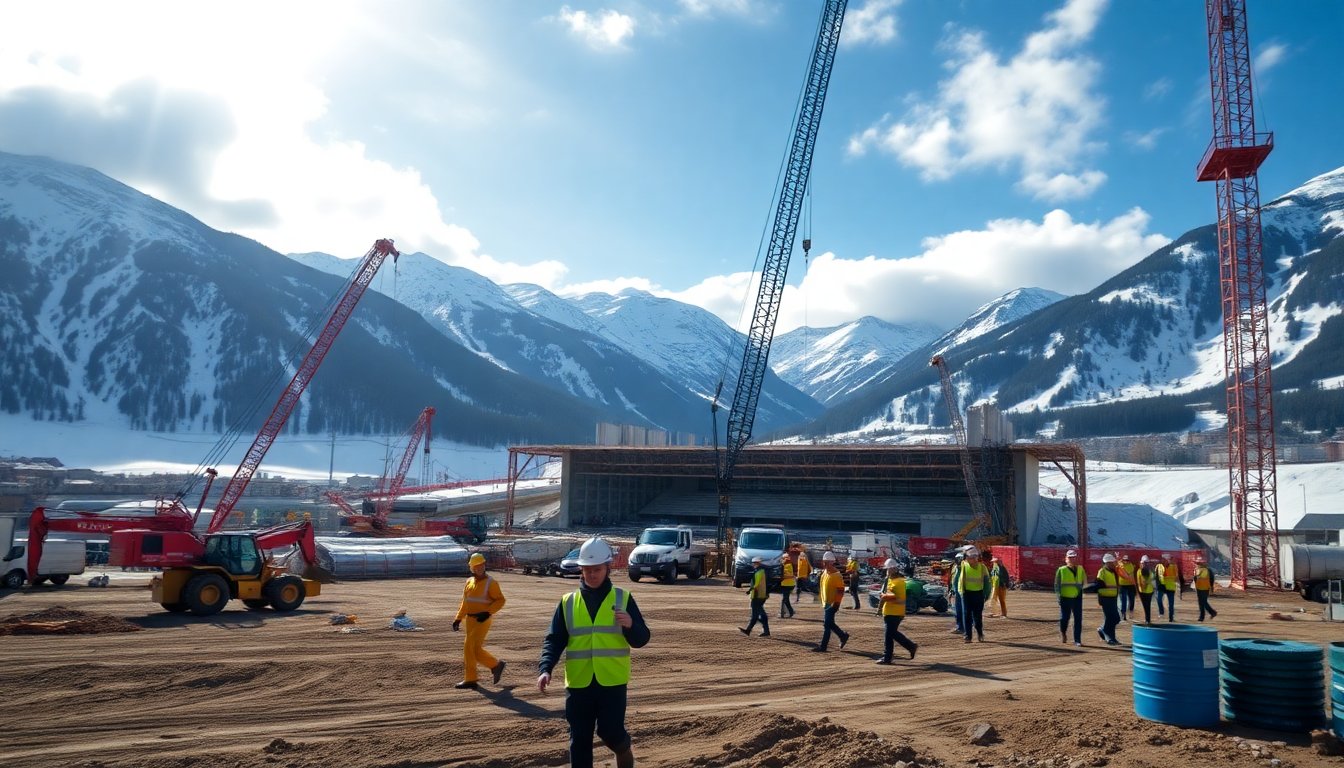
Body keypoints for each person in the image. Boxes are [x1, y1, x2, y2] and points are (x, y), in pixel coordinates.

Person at [538, 537, 651, 768]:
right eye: (587, 569)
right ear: (581, 569)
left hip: (612, 682)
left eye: (597, 569)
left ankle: (624, 752)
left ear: (607, 568)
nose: (591, 574)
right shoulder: (568, 602)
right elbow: (555, 639)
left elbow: (642, 639)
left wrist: (630, 624)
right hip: (579, 684)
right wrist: (545, 668)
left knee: (611, 733)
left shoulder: (623, 598)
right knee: (579, 739)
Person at [452, 552, 506, 689]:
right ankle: (496, 665)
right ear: (472, 568)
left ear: (484, 565)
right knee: (473, 650)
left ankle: (471, 679)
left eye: (481, 565)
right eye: (476, 566)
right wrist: (458, 618)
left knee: (468, 647)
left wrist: (488, 612)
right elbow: (465, 603)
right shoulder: (469, 582)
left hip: (483, 620)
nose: (479, 568)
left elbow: (500, 600)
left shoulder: (491, 583)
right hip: (469, 620)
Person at [874, 558, 918, 664]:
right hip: (891, 611)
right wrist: (880, 608)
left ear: (893, 569)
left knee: (889, 635)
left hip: (894, 612)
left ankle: (888, 657)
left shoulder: (898, 582)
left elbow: (893, 597)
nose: (887, 571)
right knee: (892, 634)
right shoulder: (892, 580)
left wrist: (883, 596)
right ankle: (910, 646)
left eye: (888, 569)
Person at [811, 551, 850, 652]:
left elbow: (840, 591)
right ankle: (843, 636)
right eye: (824, 562)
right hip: (826, 602)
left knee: (827, 625)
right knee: (829, 623)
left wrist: (836, 604)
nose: (824, 564)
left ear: (831, 562)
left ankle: (823, 646)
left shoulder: (837, 575)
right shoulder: (825, 572)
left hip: (832, 604)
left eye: (826, 562)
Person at [1055, 549, 1086, 647]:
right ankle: (1063, 632)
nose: (1072, 559)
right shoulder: (1061, 570)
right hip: (1065, 597)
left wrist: (1084, 591)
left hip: (1077, 597)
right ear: (1066, 559)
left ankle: (1077, 639)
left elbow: (1084, 582)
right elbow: (1057, 585)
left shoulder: (1081, 569)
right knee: (1064, 618)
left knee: (1078, 619)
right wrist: (1058, 596)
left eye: (1074, 557)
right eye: (1070, 558)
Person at [958, 548, 990, 643]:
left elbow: (987, 583)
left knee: (977, 616)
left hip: (978, 594)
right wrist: (961, 592)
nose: (969, 559)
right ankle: (968, 636)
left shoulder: (982, 567)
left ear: (976, 558)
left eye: (972, 557)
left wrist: (986, 595)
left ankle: (980, 633)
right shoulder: (964, 565)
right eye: (968, 557)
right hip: (966, 593)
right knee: (967, 615)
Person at [1094, 553, 1122, 646]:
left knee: (1115, 618)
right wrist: (1100, 599)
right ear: (1107, 563)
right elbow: (1098, 585)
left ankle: (1109, 635)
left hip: (1113, 597)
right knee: (1110, 618)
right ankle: (1108, 637)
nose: (1113, 564)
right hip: (1105, 598)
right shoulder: (1102, 571)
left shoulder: (1113, 572)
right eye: (1111, 562)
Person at [740, 556, 771, 636]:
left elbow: (756, 584)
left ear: (757, 563)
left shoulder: (758, 572)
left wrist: (749, 590)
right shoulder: (763, 571)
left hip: (757, 595)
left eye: (753, 563)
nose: (753, 565)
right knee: (761, 614)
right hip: (762, 595)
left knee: (755, 615)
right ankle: (765, 631)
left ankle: (749, 630)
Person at [1191, 555, 1218, 621]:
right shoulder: (1196, 569)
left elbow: (1211, 579)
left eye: (1199, 563)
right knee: (1201, 602)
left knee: (1203, 602)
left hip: (1205, 588)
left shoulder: (1207, 570)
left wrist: (1211, 588)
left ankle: (1210, 613)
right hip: (1199, 588)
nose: (1197, 564)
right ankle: (1204, 615)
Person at [1157, 553, 1180, 622]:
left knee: (1171, 604)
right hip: (1162, 586)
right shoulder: (1159, 566)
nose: (1162, 560)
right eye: (1162, 559)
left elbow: (1176, 577)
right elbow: (1157, 576)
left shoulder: (1173, 566)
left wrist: (1177, 583)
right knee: (1159, 599)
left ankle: (1171, 617)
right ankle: (1161, 612)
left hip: (1170, 587)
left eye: (1164, 559)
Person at [1116, 553, 1137, 622]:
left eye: (1127, 560)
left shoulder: (1130, 566)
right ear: (1123, 560)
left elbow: (1127, 574)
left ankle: (1131, 611)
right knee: (1124, 600)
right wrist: (1118, 558)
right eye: (1124, 560)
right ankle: (1123, 613)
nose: (1126, 561)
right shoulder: (1119, 565)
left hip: (1130, 585)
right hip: (1122, 585)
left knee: (1132, 600)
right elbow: (1117, 566)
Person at [988, 554, 1010, 618]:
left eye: (995, 562)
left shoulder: (1002, 568)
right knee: (993, 599)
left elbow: (1006, 577)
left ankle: (1003, 613)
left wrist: (1006, 584)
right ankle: (994, 612)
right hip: (995, 585)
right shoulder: (995, 568)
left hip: (1001, 586)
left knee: (1001, 600)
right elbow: (992, 576)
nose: (994, 563)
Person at [1136, 555, 1156, 624]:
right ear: (1142, 563)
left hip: (1149, 591)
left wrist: (1146, 584)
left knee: (1148, 605)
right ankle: (1147, 619)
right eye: (1144, 563)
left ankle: (1148, 619)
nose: (1145, 564)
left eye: (1146, 563)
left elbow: (1152, 579)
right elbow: (1138, 581)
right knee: (1145, 605)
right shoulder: (1139, 571)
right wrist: (1140, 589)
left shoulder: (1150, 571)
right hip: (1142, 591)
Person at [949, 552, 966, 635]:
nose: (959, 561)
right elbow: (953, 579)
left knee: (964, 611)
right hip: (956, 592)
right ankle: (960, 627)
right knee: (957, 610)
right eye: (958, 559)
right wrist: (951, 589)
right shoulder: (955, 567)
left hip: (964, 592)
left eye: (960, 559)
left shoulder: (967, 568)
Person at [778, 550, 796, 619]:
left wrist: (781, 576)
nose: (782, 560)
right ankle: (784, 613)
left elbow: (789, 576)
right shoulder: (786, 565)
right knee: (785, 599)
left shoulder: (788, 565)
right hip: (786, 584)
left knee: (785, 599)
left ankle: (789, 612)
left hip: (787, 585)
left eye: (783, 558)